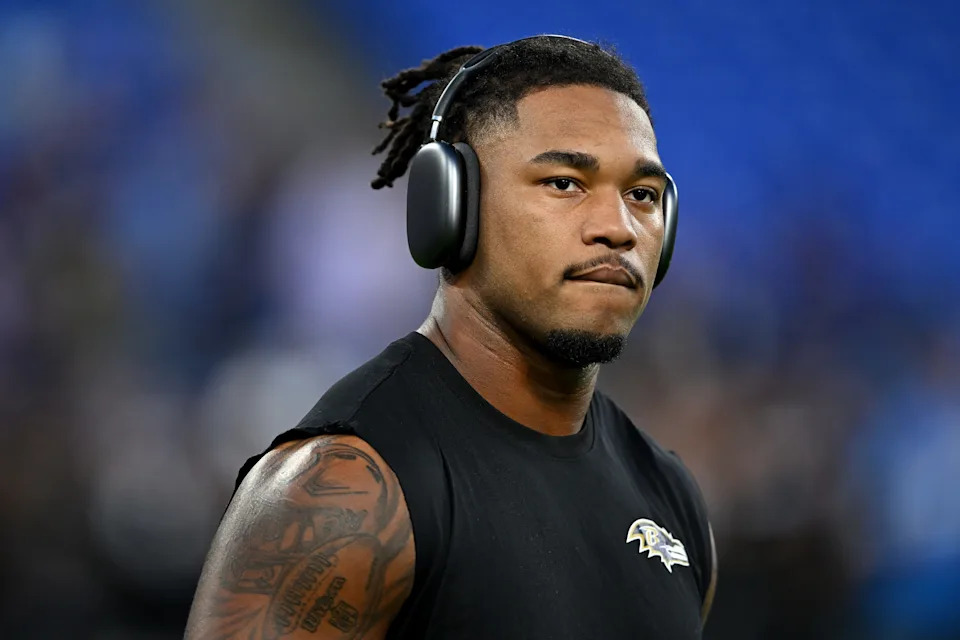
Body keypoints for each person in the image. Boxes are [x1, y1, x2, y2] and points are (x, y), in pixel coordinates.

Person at [185, 35, 717, 639]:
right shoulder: (343, 491)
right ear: (453, 207)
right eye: (565, 183)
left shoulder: (671, 501)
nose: (617, 228)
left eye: (642, 196)